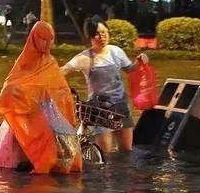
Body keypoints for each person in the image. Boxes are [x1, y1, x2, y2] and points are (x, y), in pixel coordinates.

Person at [0, 21, 82, 174]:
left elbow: (61, 90)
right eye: (44, 39)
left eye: (50, 40)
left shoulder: (50, 63)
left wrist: (59, 99)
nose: (47, 43)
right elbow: (9, 88)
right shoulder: (23, 64)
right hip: (25, 115)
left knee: (68, 139)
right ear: (34, 39)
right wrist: (26, 94)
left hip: (49, 113)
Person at [60, 15, 148, 153]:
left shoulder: (116, 52)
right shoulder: (84, 58)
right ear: (89, 37)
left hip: (120, 107)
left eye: (104, 33)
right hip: (99, 111)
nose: (101, 37)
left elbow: (130, 69)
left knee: (126, 151)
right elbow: (64, 70)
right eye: (97, 34)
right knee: (104, 153)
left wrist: (140, 61)